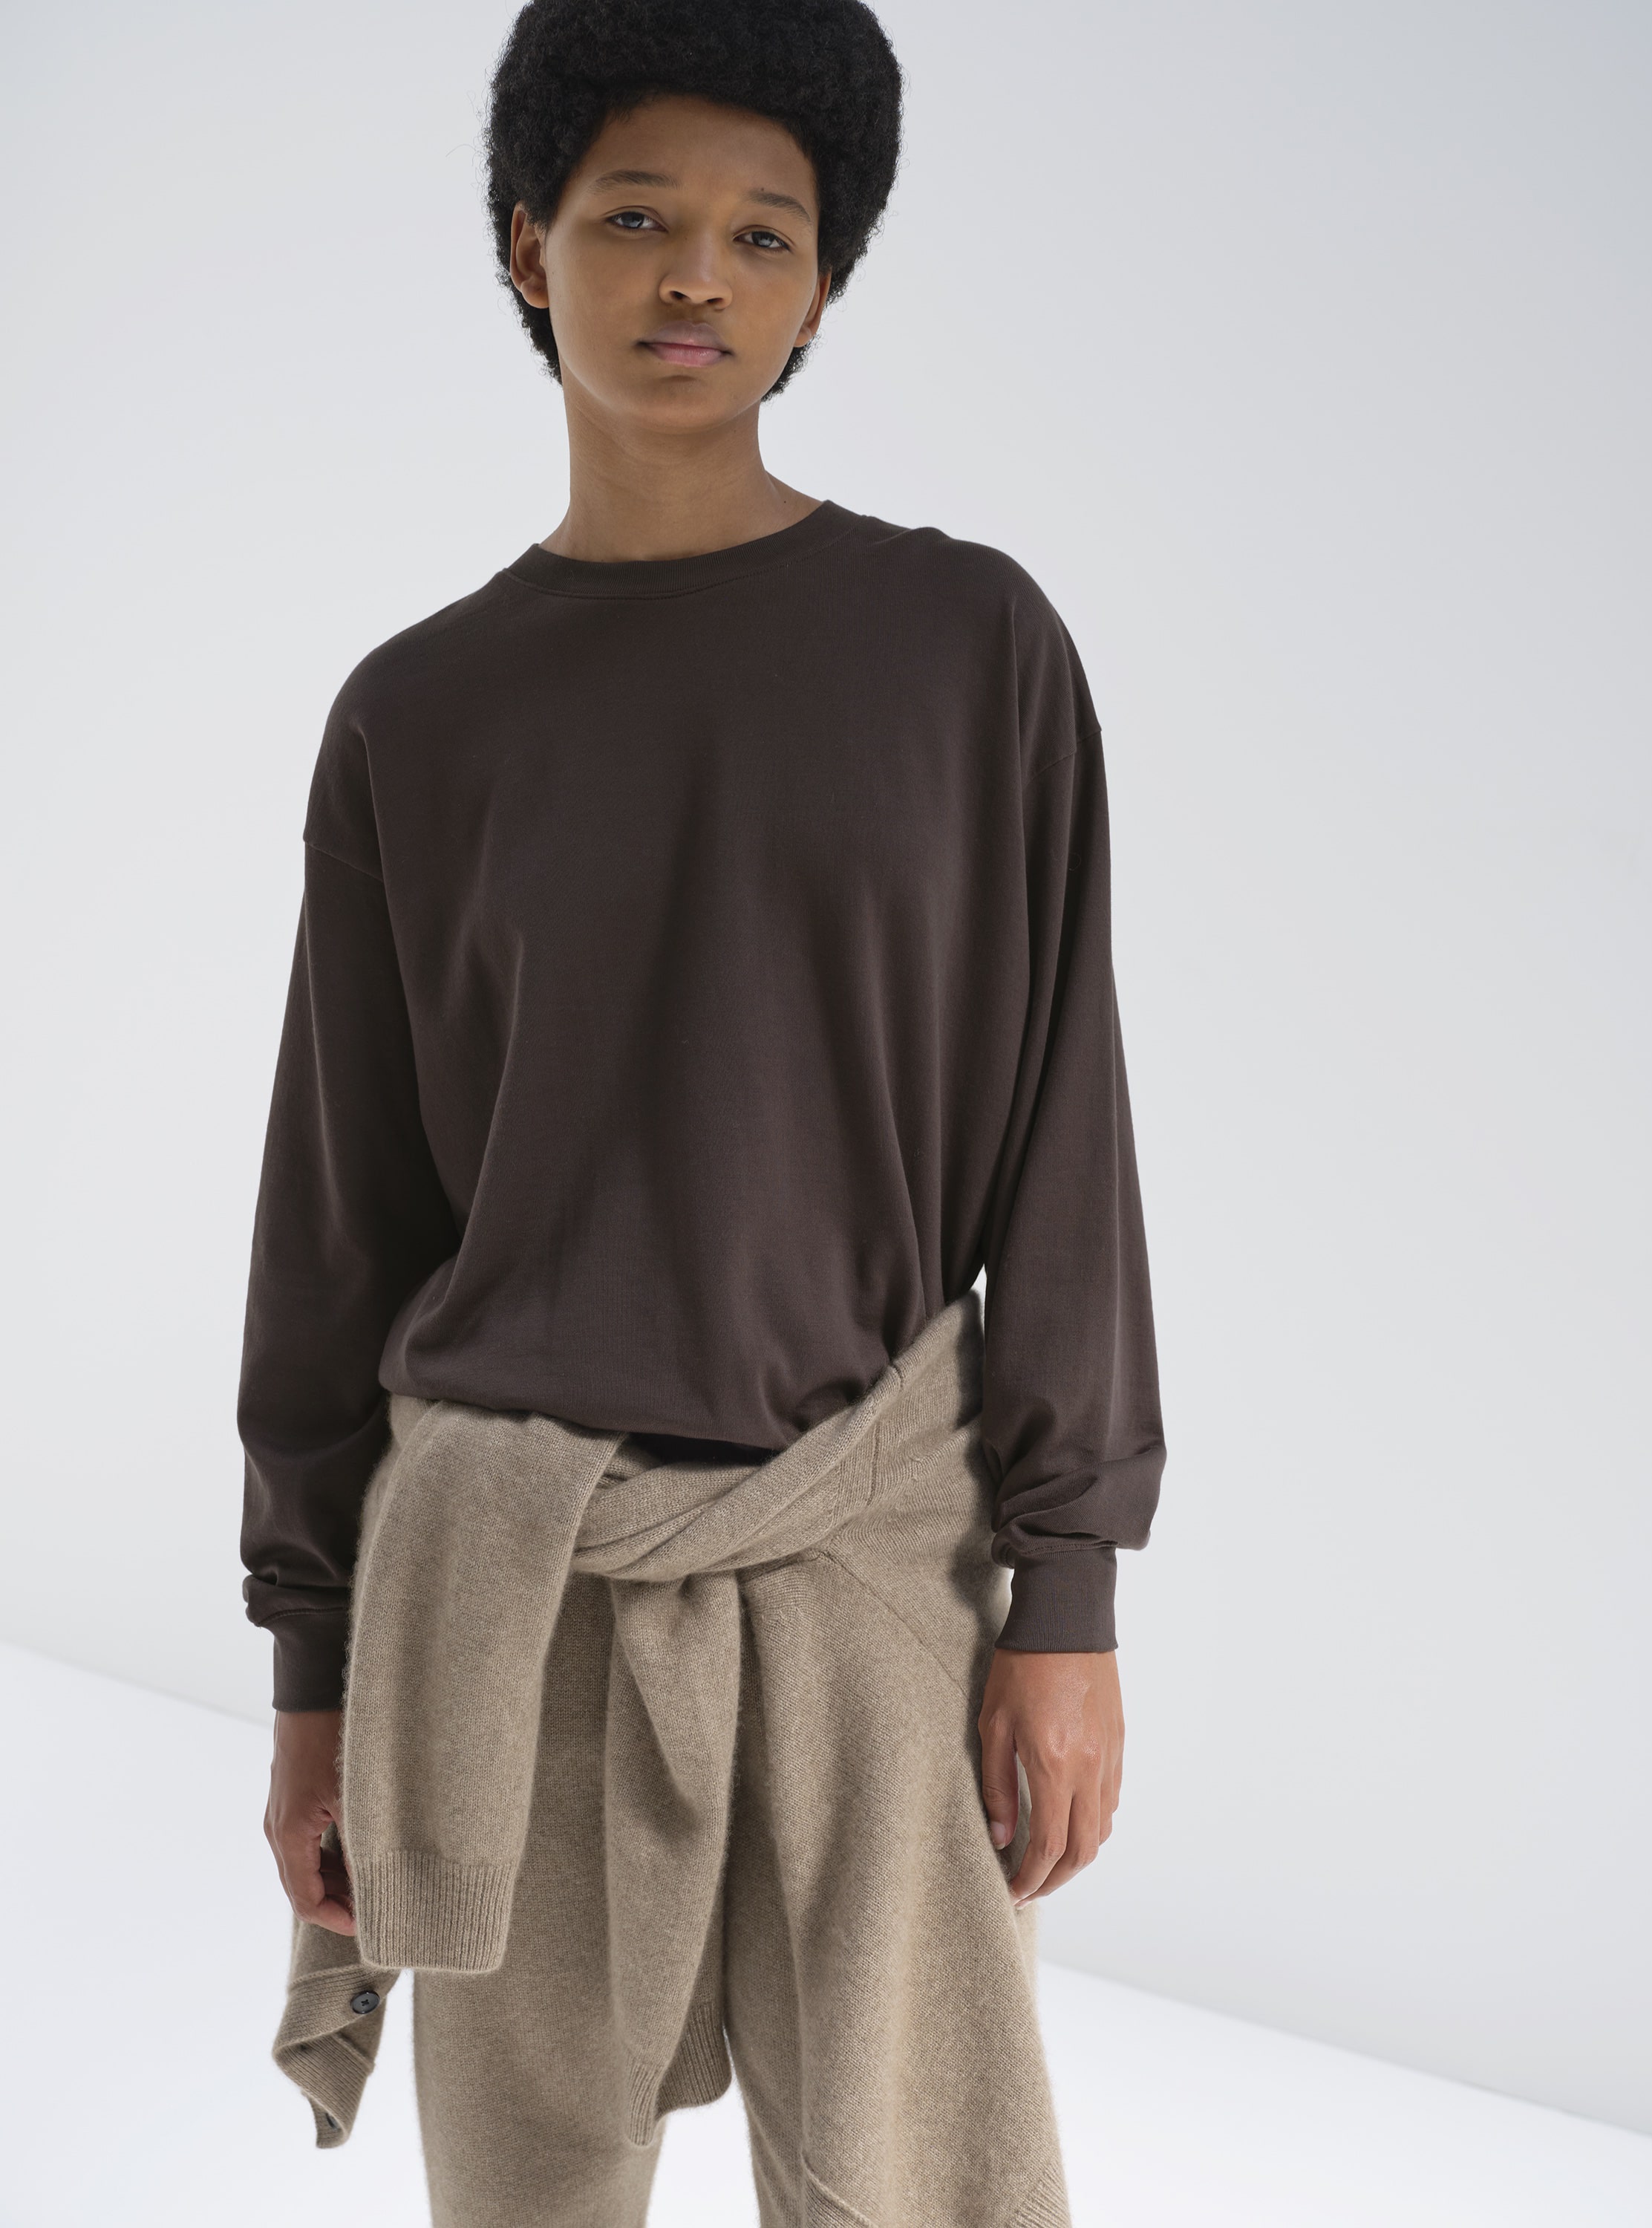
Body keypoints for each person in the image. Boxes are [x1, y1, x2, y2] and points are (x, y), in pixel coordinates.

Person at [239, 1, 1166, 2220]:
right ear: (525, 245)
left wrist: (1068, 1600)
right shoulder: (416, 715)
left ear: (824, 285)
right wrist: (313, 1673)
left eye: (765, 235)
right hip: (510, 1594)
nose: (696, 279)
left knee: (909, 2185)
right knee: (530, 2196)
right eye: (636, 216)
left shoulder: (966, 647)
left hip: (872, 1563)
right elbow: (343, 1217)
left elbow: (1065, 1135)